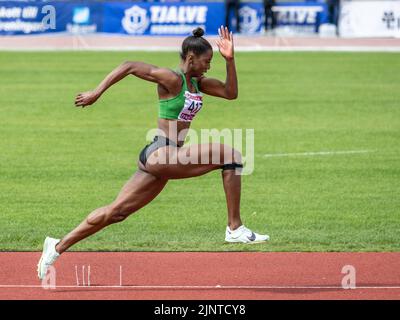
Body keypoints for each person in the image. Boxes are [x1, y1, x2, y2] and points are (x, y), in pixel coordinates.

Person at [37, 26, 269, 280]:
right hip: (161, 153)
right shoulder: (172, 79)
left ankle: (56, 246)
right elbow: (129, 65)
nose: (208, 66)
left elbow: (230, 93)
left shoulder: (197, 83)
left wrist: (230, 60)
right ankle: (234, 227)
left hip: (165, 158)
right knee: (231, 155)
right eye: (206, 61)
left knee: (116, 212)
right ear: (191, 58)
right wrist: (96, 93)